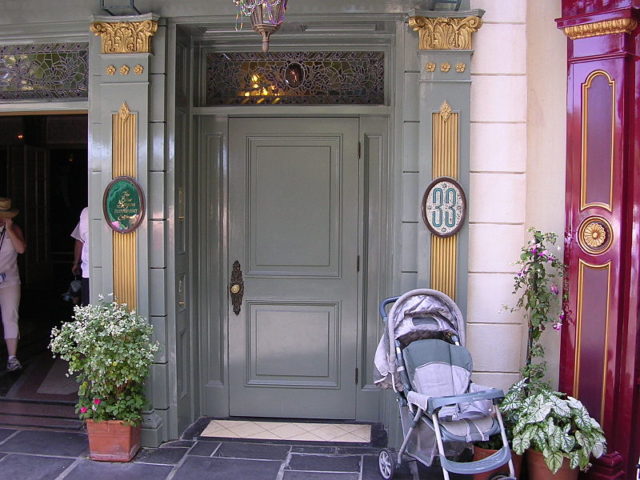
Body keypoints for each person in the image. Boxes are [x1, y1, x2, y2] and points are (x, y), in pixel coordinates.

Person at [0, 197, 26, 371]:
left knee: (10, 316)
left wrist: (9, 228)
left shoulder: (14, 229)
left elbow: (21, 249)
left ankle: (12, 357)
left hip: (9, 280)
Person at [71, 207, 89, 306]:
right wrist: (76, 263)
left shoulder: (86, 212)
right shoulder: (86, 213)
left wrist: (76, 263)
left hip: (89, 269)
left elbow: (79, 241)